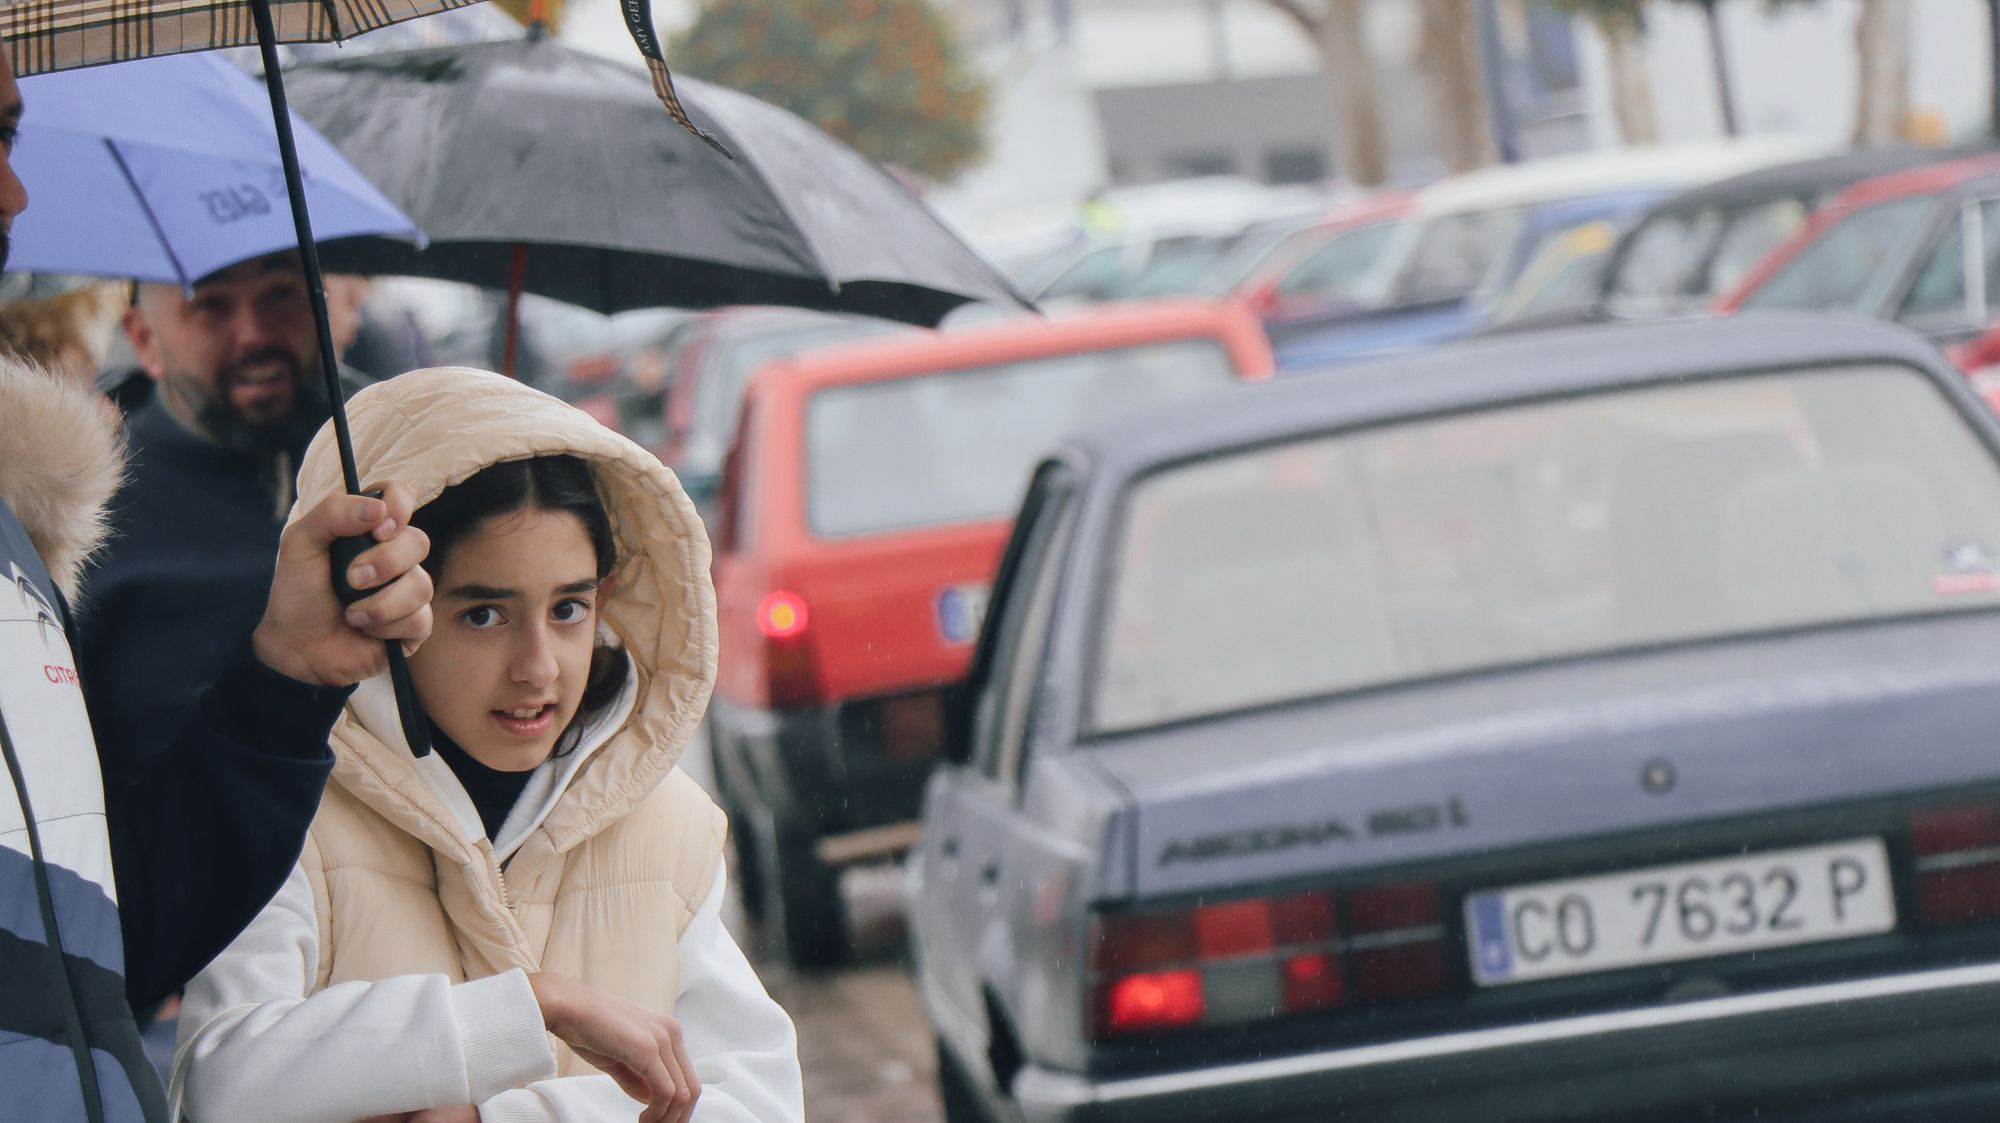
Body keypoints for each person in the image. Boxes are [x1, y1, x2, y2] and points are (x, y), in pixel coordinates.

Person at [171, 367, 804, 1123]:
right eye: (484, 616)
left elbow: (756, 1100)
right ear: (386, 603)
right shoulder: (293, 817)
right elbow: (219, 1084)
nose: (539, 666)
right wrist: (528, 1008)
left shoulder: (666, 825)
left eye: (568, 608)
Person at [78, 250, 348, 777]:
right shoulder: (90, 512)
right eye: (211, 306)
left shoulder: (391, 451)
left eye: (280, 295)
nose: (254, 334)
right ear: (144, 339)